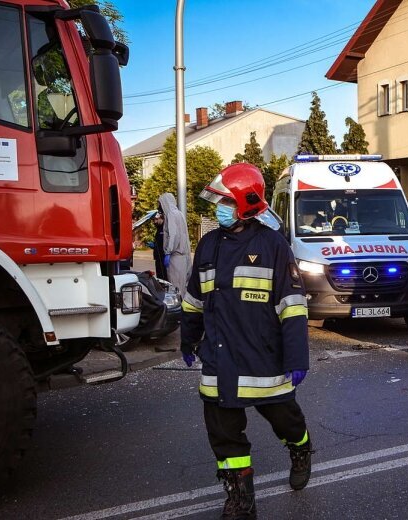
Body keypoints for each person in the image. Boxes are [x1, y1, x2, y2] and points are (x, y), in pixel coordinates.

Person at [180, 163, 312, 519]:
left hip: (264, 358)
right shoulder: (207, 245)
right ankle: (241, 499)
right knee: (224, 435)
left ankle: (300, 447)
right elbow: (194, 300)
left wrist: (297, 357)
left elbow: (292, 306)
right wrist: (187, 338)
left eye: (225, 202)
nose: (217, 209)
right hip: (218, 358)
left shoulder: (273, 245)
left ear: (246, 204)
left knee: (286, 420)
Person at [158, 192, 192, 297]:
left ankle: (179, 311)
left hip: (175, 257)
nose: (160, 206)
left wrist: (168, 252)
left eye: (160, 203)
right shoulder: (179, 213)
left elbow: (173, 235)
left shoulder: (171, 215)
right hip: (184, 256)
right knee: (184, 286)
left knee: (175, 287)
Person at [149, 211, 168, 280]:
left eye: (156, 219)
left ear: (161, 218)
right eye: (153, 220)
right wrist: (154, 245)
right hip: (158, 257)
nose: (154, 222)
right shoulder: (159, 228)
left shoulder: (165, 228)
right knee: (159, 276)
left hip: (163, 256)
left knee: (164, 276)